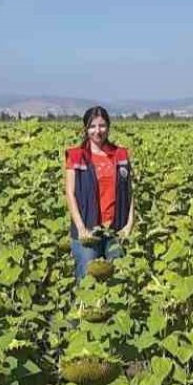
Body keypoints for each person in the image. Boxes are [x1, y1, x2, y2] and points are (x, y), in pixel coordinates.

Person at [64, 106, 135, 281]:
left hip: (116, 230)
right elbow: (70, 193)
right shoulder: (76, 156)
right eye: (93, 126)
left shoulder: (121, 154)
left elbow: (129, 192)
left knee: (119, 279)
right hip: (88, 230)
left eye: (102, 125)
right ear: (86, 129)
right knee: (87, 282)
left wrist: (129, 225)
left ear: (108, 127)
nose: (98, 131)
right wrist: (81, 228)